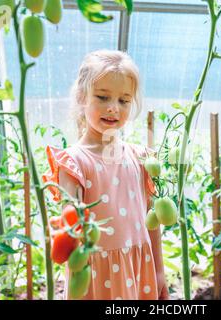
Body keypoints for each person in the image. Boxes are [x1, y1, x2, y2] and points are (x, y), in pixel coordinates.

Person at [42, 49, 169, 300]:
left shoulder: (141, 158)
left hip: (138, 271)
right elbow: (71, 230)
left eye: (123, 101)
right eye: (102, 97)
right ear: (81, 96)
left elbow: (151, 223)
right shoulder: (74, 163)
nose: (113, 108)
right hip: (97, 280)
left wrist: (159, 271)